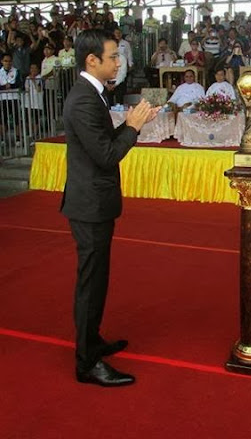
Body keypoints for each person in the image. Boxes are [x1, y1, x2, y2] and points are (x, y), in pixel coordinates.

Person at [61, 30, 157, 387]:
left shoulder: (91, 94)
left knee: (97, 279)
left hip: (93, 202)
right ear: (92, 60)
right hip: (89, 204)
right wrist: (131, 128)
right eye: (113, 56)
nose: (119, 62)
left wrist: (132, 125)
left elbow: (100, 146)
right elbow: (106, 155)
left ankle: (92, 341)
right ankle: (86, 362)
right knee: (91, 282)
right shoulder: (84, 99)